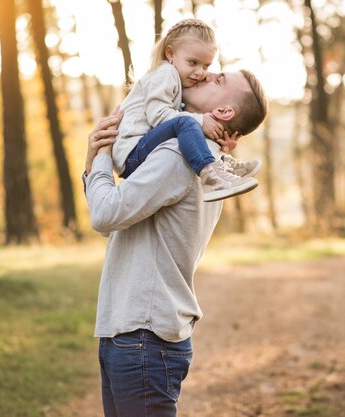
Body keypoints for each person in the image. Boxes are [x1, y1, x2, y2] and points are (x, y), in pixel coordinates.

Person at [83, 68, 268, 417]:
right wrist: (96, 166)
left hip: (143, 334)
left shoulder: (179, 154)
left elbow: (105, 215)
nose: (205, 74)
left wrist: (102, 157)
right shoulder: (204, 160)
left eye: (217, 80)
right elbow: (116, 223)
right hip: (131, 329)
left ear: (225, 112)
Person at [112, 18, 260, 202]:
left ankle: (221, 164)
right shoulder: (165, 74)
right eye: (193, 62)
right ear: (170, 54)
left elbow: (185, 134)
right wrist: (200, 120)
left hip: (141, 149)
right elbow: (159, 117)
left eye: (206, 66)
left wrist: (221, 148)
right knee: (187, 122)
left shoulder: (178, 81)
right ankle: (211, 177)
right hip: (130, 153)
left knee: (187, 123)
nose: (201, 73)